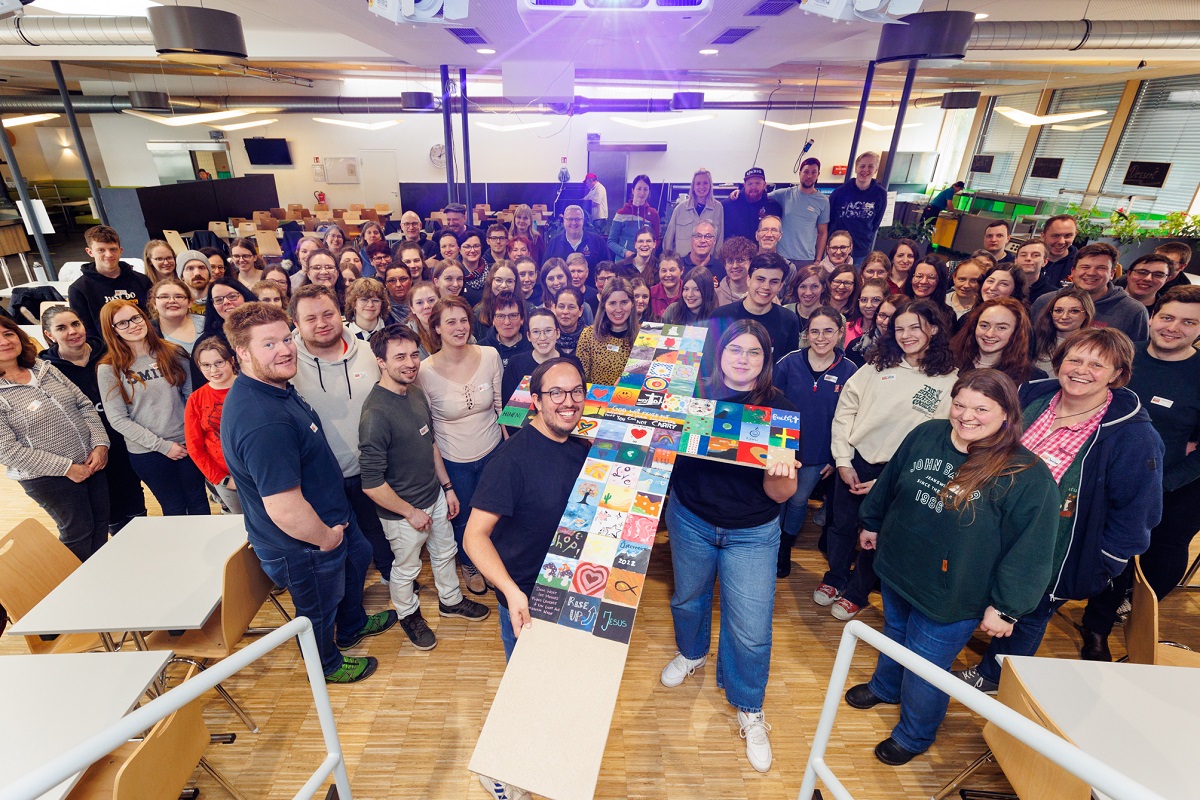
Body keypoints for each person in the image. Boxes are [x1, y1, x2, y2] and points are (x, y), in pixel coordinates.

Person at [847, 369, 1059, 765]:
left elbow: (1032, 548)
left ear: (1007, 414)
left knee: (927, 666)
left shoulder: (1026, 473)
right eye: (960, 404)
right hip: (900, 565)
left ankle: (913, 735)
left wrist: (1008, 606)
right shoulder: (928, 432)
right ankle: (885, 686)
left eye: (982, 408)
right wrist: (872, 521)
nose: (966, 416)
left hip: (954, 590)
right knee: (893, 634)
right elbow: (892, 479)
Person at [954, 328, 1163, 694]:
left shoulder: (1132, 435)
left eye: (1098, 364)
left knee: (1031, 613)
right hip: (991, 530)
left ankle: (993, 676)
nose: (1082, 370)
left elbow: (1138, 514)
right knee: (991, 601)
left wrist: (1100, 562)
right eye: (1075, 359)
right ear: (1059, 362)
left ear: (1117, 374)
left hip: (1056, 550)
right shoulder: (1032, 398)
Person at [220, 302, 396, 684]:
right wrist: (327, 539)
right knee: (316, 608)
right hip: (305, 542)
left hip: (331, 519)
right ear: (243, 353)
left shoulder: (275, 389)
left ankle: (352, 626)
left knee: (359, 557)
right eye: (269, 344)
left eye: (286, 338)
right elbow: (284, 508)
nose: (285, 349)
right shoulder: (262, 420)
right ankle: (327, 664)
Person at [660, 319, 798, 773]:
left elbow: (780, 496)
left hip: (752, 532)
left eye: (753, 352)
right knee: (687, 598)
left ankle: (749, 705)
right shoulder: (692, 397)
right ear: (719, 355)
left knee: (752, 628)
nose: (742, 358)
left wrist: (783, 476)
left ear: (766, 359)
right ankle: (693, 652)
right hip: (691, 520)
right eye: (734, 349)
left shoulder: (779, 410)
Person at [1076, 286, 1200, 659]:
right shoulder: (1122, 355)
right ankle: (1095, 626)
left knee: (1163, 558)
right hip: (1107, 475)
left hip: (1178, 482)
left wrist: (1163, 482)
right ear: (1152, 316)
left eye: (1188, 322)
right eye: (1167, 317)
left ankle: (1124, 610)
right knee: (1114, 552)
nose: (1173, 327)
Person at [819, 299, 958, 621]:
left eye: (915, 328)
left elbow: (937, 440)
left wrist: (891, 480)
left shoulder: (949, 380)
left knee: (878, 537)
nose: (906, 335)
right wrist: (842, 460)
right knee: (840, 526)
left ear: (934, 329)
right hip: (856, 461)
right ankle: (835, 577)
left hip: (900, 474)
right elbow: (845, 411)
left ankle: (856, 592)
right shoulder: (877, 365)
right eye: (899, 329)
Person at [359, 325, 489, 652]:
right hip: (403, 512)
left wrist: (447, 487)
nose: (410, 362)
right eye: (399, 356)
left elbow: (430, 444)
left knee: (446, 553)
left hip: (434, 496)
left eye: (414, 354)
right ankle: (408, 615)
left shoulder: (414, 392)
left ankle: (450, 600)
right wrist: (410, 512)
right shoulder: (376, 413)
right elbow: (372, 484)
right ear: (381, 362)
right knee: (406, 569)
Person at [289, 284, 393, 587]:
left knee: (378, 529)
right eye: (310, 318)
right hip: (320, 475)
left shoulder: (370, 352)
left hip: (373, 468)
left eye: (328, 314)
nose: (321, 323)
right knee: (338, 540)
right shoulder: (288, 362)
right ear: (296, 323)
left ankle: (391, 574)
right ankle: (349, 595)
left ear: (341, 314)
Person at [0, 316, 110, 561]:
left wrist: (101, 444)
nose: (4, 341)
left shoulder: (43, 368)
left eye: (8, 334)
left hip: (91, 462)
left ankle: (102, 575)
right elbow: (6, 450)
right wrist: (67, 468)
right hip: (48, 478)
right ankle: (76, 587)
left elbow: (84, 405)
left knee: (101, 522)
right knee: (79, 532)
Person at [417, 295, 505, 597]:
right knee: (464, 517)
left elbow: (500, 407)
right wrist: (446, 482)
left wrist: (508, 452)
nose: (459, 327)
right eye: (450, 322)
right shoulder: (424, 371)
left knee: (494, 513)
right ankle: (470, 564)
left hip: (493, 451)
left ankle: (493, 564)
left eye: (464, 320)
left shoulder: (490, 355)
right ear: (437, 328)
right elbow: (427, 430)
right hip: (455, 459)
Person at [96, 299, 209, 516]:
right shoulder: (109, 368)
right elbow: (118, 419)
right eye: (122, 323)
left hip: (186, 442)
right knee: (173, 507)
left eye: (136, 318)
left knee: (199, 503)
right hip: (148, 452)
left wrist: (189, 436)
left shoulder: (173, 352)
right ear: (113, 331)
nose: (133, 325)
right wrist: (163, 446)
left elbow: (190, 398)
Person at [40, 305, 146, 533]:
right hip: (90, 450)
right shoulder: (47, 370)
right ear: (49, 335)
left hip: (125, 439)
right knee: (109, 509)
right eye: (61, 328)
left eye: (75, 324)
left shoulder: (110, 352)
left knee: (134, 498)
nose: (72, 331)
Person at [774, 306, 858, 577]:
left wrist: (837, 458)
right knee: (776, 497)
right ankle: (770, 542)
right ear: (806, 334)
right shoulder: (788, 362)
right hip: (782, 447)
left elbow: (852, 418)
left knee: (798, 501)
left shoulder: (850, 370)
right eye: (815, 331)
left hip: (819, 454)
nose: (821, 337)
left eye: (828, 331)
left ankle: (786, 544)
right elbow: (771, 403)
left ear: (840, 333)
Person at [1030, 242, 1149, 342]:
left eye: (1101, 268)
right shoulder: (1045, 301)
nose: (1091, 273)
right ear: (1072, 271)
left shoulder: (1133, 311)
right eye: (1085, 267)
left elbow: (1135, 358)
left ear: (1112, 274)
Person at [708, 253, 800, 367]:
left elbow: (788, 367)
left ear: (781, 286)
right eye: (760, 279)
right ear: (748, 280)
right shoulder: (721, 316)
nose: (766, 286)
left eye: (774, 282)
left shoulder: (789, 320)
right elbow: (710, 363)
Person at [185, 336, 241, 514]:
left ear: (231, 361)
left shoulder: (251, 387)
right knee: (240, 524)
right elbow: (195, 448)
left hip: (261, 473)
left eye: (219, 362)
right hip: (227, 478)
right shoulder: (196, 399)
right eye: (206, 365)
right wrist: (222, 479)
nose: (214, 370)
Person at [69, 225, 154, 339]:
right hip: (108, 350)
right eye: (101, 250)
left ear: (120, 250)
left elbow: (152, 318)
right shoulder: (79, 289)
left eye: (113, 249)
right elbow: (85, 329)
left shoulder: (142, 281)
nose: (108, 255)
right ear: (90, 252)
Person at [951, 298, 1044, 384]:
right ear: (974, 327)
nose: (989, 334)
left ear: (1016, 332)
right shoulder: (949, 361)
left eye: (1001, 328)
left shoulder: (1032, 377)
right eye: (984, 325)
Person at [501, 308, 583, 404]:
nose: (543, 337)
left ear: (557, 333)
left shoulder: (572, 363)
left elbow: (580, 399)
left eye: (548, 330)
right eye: (536, 332)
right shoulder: (515, 363)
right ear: (528, 336)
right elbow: (508, 409)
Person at [577, 278, 639, 386]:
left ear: (632, 303)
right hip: (596, 401)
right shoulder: (588, 335)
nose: (618, 309)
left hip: (631, 400)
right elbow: (579, 380)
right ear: (604, 305)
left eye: (624, 302)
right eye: (612, 303)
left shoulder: (645, 337)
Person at [767, 158, 830, 265]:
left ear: (818, 174)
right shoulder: (784, 195)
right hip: (782, 257)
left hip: (806, 258)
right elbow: (759, 197)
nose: (809, 176)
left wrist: (818, 260)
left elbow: (823, 233)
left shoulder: (823, 201)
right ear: (800, 173)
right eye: (806, 172)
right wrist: (738, 193)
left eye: (813, 172)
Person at [829, 152, 888, 259]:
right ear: (856, 168)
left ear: (876, 170)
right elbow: (830, 220)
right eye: (862, 166)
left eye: (870, 166)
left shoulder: (880, 195)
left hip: (861, 252)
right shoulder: (839, 193)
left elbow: (875, 223)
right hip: (837, 251)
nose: (865, 170)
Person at [1030, 287, 1095, 376]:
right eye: (1058, 311)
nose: (1064, 316)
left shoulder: (1094, 345)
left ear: (1087, 314)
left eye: (1074, 311)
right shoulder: (1034, 340)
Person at [663, 168, 724, 254]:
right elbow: (668, 238)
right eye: (698, 183)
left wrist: (717, 263)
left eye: (705, 183)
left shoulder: (718, 208)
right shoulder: (681, 208)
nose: (702, 187)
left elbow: (719, 239)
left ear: (710, 186)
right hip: (682, 263)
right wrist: (667, 258)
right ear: (693, 187)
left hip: (707, 264)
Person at [722, 166, 784, 242]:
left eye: (758, 183)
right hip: (735, 252)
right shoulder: (728, 205)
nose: (753, 187)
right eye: (750, 183)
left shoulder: (773, 207)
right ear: (744, 185)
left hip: (762, 252)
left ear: (764, 185)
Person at [544, 205, 608, 274]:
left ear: (583, 221)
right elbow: (546, 271)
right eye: (570, 219)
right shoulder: (554, 243)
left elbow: (607, 268)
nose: (574, 223)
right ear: (564, 221)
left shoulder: (597, 241)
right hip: (561, 285)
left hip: (592, 284)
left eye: (577, 219)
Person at [608, 174, 660, 259]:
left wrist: (648, 251)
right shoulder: (621, 213)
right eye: (639, 188)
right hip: (624, 263)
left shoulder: (653, 214)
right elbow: (611, 242)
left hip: (645, 263)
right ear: (633, 190)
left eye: (645, 189)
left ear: (649, 192)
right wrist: (625, 253)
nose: (642, 193)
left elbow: (657, 239)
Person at [480, 291, 532, 370]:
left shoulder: (532, 346)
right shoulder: (481, 348)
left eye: (513, 315)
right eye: (500, 316)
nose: (507, 322)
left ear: (522, 319)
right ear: (493, 320)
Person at [845, 278, 888, 366]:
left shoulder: (890, 332)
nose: (868, 305)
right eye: (864, 300)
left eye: (876, 300)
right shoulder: (846, 328)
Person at [786, 264, 828, 350]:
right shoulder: (784, 312)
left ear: (823, 288)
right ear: (796, 288)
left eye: (814, 286)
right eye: (803, 286)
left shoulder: (833, 317)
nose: (808, 292)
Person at [904, 255, 954, 326]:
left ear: (940, 281)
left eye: (931, 277)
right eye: (919, 276)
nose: (923, 281)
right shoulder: (899, 304)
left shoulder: (947, 314)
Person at [344, 276, 390, 341]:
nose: (370, 305)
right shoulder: (343, 334)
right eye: (364, 300)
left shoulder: (392, 332)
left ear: (382, 304)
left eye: (375, 300)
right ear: (353, 303)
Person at [1040, 214, 1079, 288]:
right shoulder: (1029, 259)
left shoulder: (1080, 265)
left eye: (1068, 236)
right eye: (1055, 236)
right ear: (1043, 236)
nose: (1061, 242)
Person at [716, 236, 756, 306]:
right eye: (730, 261)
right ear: (724, 264)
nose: (735, 266)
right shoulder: (714, 297)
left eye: (740, 260)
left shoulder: (761, 294)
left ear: (751, 262)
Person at [1016, 238, 1056, 303]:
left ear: (1045, 262)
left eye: (1035, 255)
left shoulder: (1052, 295)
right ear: (1016, 260)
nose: (1028, 258)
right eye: (1023, 255)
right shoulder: (1006, 287)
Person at [406, 281, 440, 359]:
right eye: (419, 302)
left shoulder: (454, 326)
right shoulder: (404, 336)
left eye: (431, 300)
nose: (426, 306)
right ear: (412, 308)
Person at [552, 286, 586, 359]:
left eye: (571, 307)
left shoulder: (589, 337)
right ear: (554, 308)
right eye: (561, 306)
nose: (565, 312)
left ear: (581, 310)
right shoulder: (548, 336)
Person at [458, 230, 490, 308]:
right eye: (467, 246)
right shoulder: (455, 272)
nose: (472, 250)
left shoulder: (491, 271)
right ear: (459, 250)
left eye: (476, 246)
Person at [175, 249, 212, 315]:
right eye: (190, 268)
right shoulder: (176, 304)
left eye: (202, 268)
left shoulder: (221, 300)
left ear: (209, 273)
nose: (197, 273)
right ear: (182, 275)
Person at [650, 252, 685, 318]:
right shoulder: (650, 294)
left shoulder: (689, 294)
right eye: (664, 271)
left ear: (682, 270)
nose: (668, 275)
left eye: (672, 270)